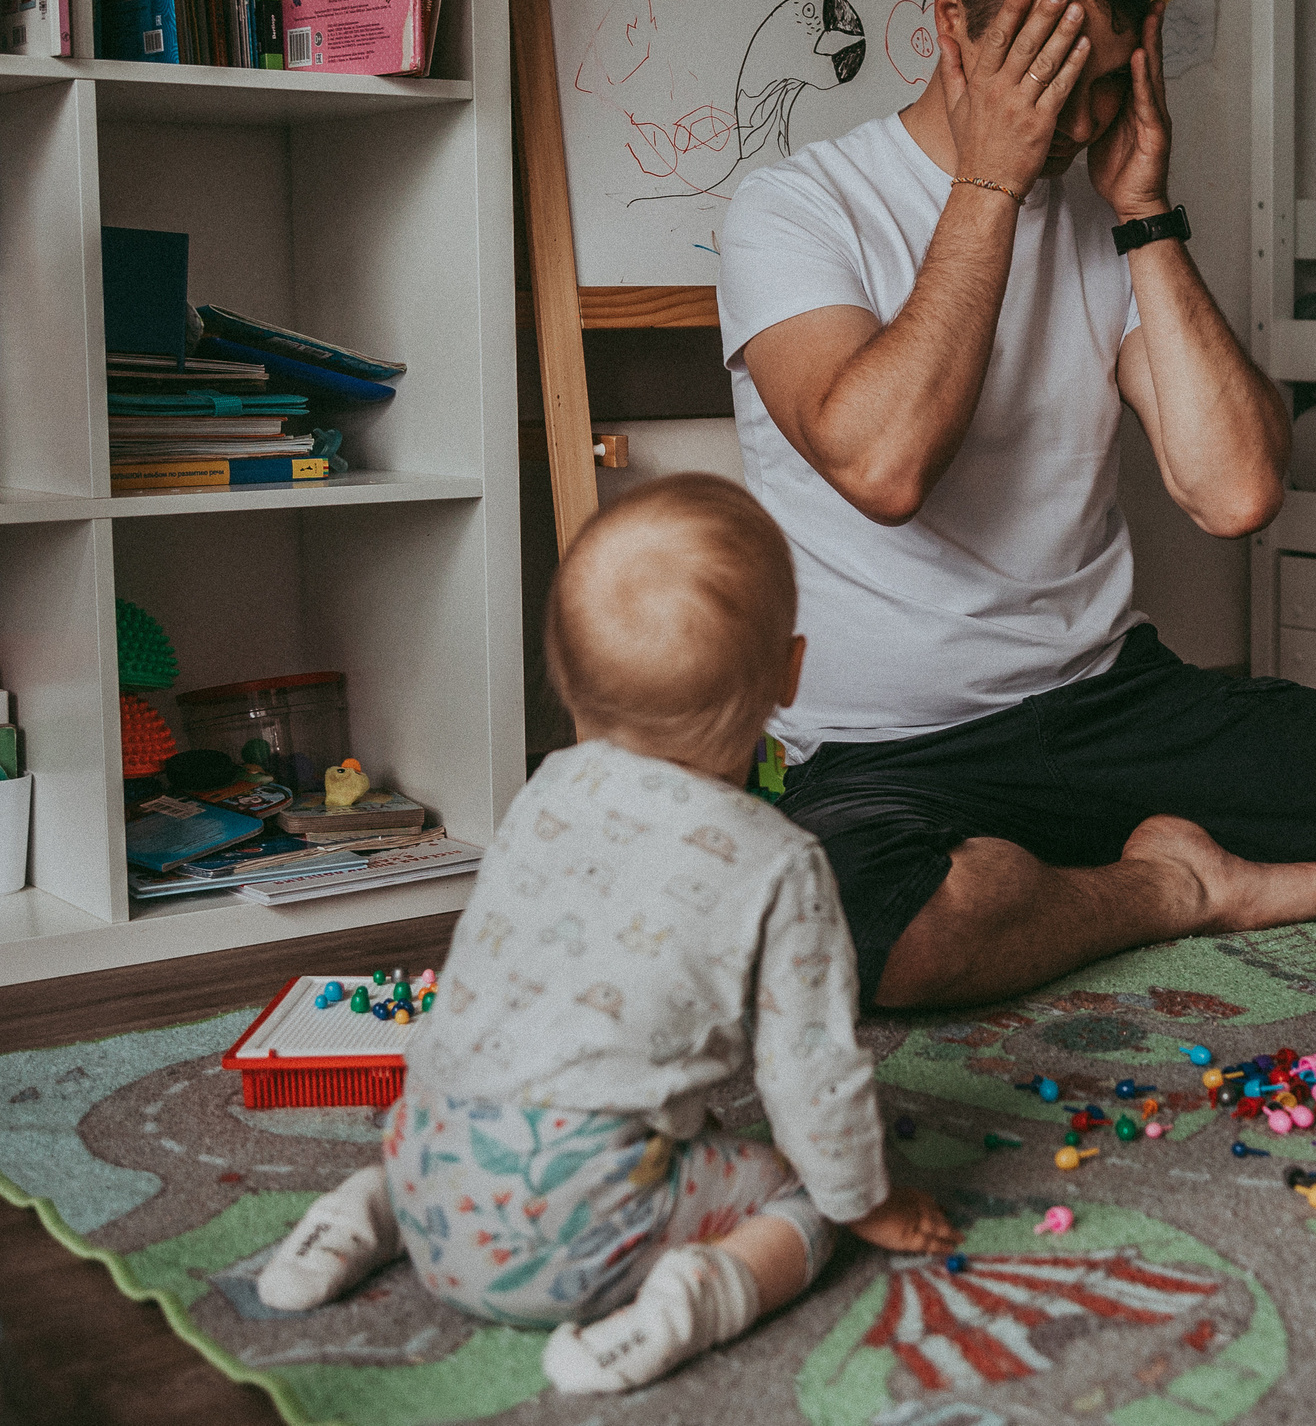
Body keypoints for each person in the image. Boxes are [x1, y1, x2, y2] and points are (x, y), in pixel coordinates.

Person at [717, 0, 1316, 1012]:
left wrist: (1143, 213)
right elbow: (882, 465)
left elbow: (1234, 494)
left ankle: (1057, 882)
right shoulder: (796, 208)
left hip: (1109, 707)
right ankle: (1171, 888)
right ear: (950, 23)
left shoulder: (1107, 214)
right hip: (880, 748)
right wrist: (990, 189)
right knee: (876, 942)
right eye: (1049, 73)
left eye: (1108, 78)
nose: (1075, 121)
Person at [256, 475, 957, 1393]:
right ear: (790, 673)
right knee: (803, 1192)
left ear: (567, 680)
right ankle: (693, 1299)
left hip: (425, 1166)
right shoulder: (781, 862)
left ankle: (357, 1216)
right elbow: (808, 1074)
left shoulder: (541, 796)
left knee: (491, 1103)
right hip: (579, 1237)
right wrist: (866, 1199)